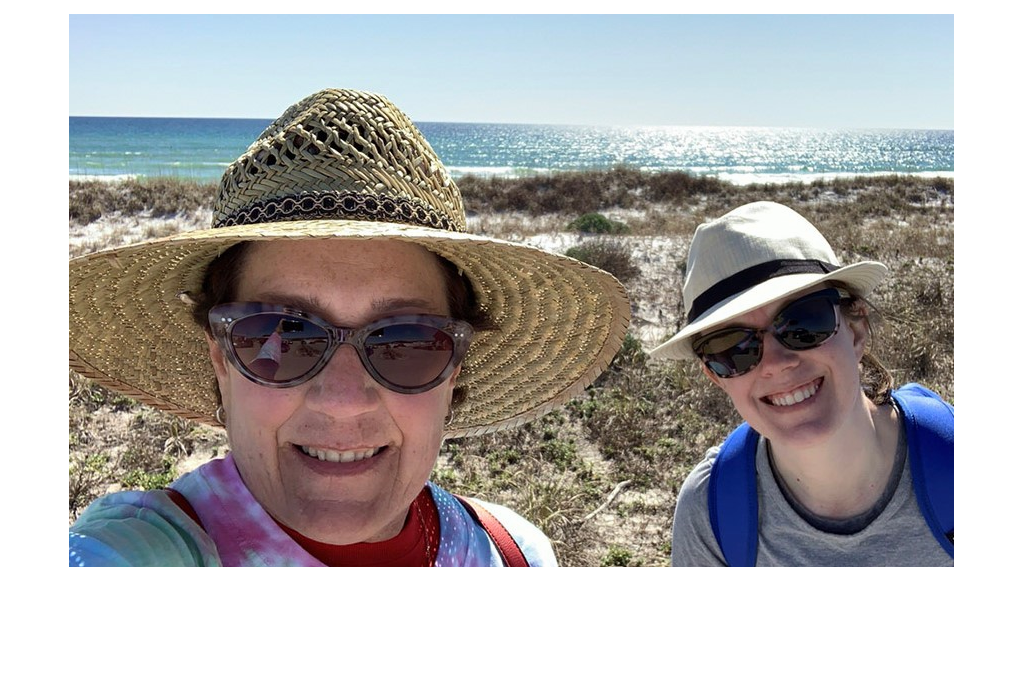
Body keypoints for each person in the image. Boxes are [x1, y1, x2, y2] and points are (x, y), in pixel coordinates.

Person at [69, 88, 631, 567]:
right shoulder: (137, 555)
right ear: (220, 358)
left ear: (455, 369)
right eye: (281, 335)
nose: (342, 401)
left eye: (405, 342)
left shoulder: (515, 558)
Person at [649, 201, 953, 567]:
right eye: (732, 348)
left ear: (856, 327)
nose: (776, 364)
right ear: (715, 375)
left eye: (803, 323)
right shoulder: (708, 512)